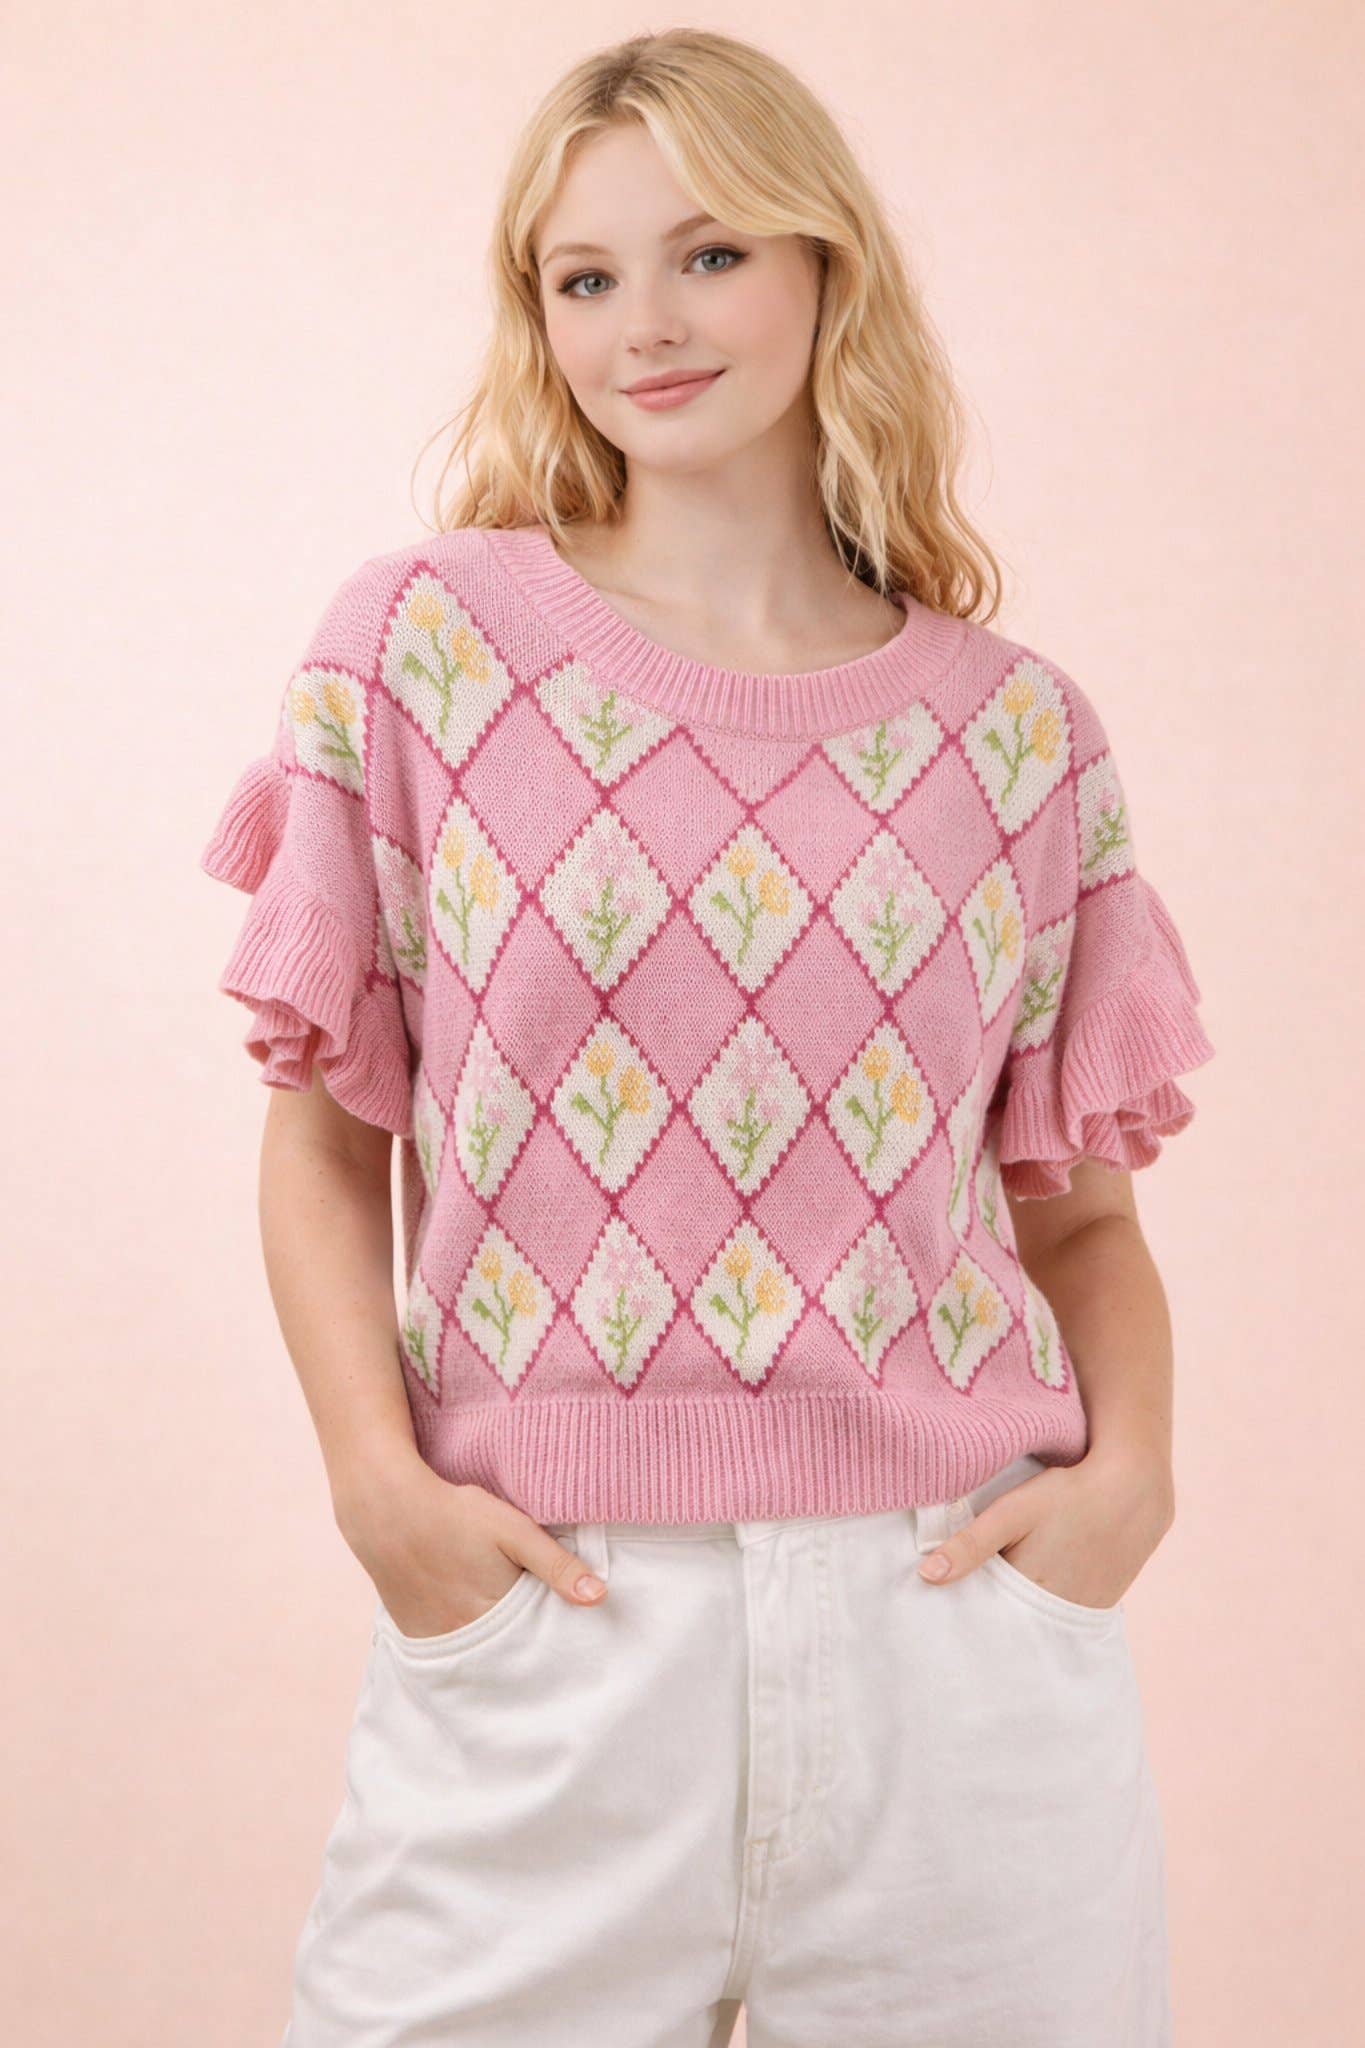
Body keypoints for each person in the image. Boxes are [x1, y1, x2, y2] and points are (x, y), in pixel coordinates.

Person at [200, 28, 1214, 2048]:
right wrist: (378, 1490)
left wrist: (1132, 1487)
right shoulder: (423, 649)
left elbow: (1081, 1215)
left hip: (954, 1644)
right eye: (583, 278)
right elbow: (325, 1133)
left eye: (709, 254)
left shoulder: (1013, 733)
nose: (643, 325)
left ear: (828, 264)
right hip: (550, 1629)